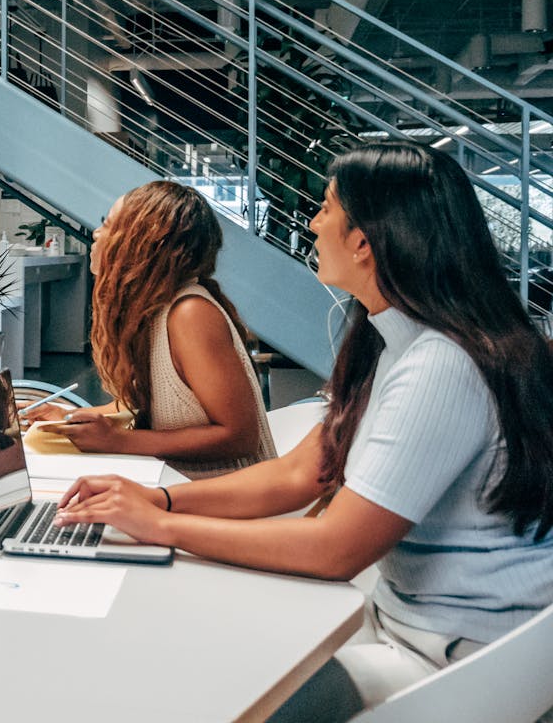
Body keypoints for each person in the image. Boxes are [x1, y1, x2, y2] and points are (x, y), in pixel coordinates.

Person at [53, 142, 553, 721]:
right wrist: (156, 497)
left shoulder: (441, 365)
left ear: (364, 242)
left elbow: (335, 548)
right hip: (398, 626)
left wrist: (161, 525)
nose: (312, 222)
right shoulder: (391, 341)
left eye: (325, 207)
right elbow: (298, 474)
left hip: (455, 667)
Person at [25, 181, 276, 478]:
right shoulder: (154, 309)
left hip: (230, 501)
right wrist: (67, 417)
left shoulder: (190, 314)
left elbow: (239, 437)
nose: (97, 232)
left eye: (108, 223)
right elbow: (144, 405)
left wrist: (117, 441)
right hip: (179, 487)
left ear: (142, 242)